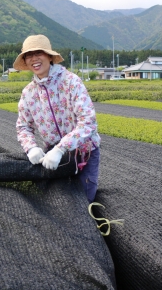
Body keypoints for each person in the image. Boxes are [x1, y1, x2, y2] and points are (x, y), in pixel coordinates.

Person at [14, 34, 101, 203]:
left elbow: (88, 122)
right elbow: (23, 126)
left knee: (85, 200)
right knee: (60, 203)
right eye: (29, 56)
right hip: (53, 157)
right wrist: (31, 147)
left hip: (84, 152)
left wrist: (61, 149)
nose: (34, 59)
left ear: (49, 56)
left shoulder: (71, 82)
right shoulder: (29, 93)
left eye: (38, 53)